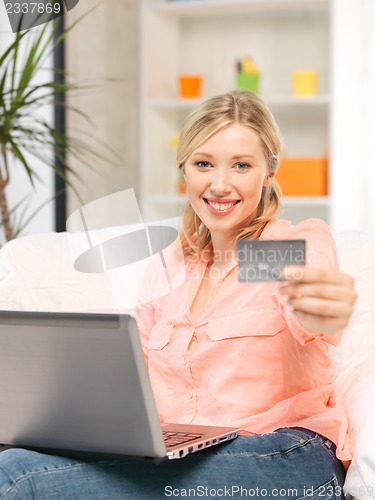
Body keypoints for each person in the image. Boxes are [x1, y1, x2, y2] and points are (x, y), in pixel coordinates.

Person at [0, 90, 356, 499]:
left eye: (241, 165)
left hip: (286, 453)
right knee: (14, 459)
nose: (220, 185)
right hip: (188, 454)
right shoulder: (170, 267)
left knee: (21, 479)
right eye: (204, 164)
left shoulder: (276, 247)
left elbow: (305, 287)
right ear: (185, 170)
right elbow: (139, 384)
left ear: (269, 173)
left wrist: (318, 303)